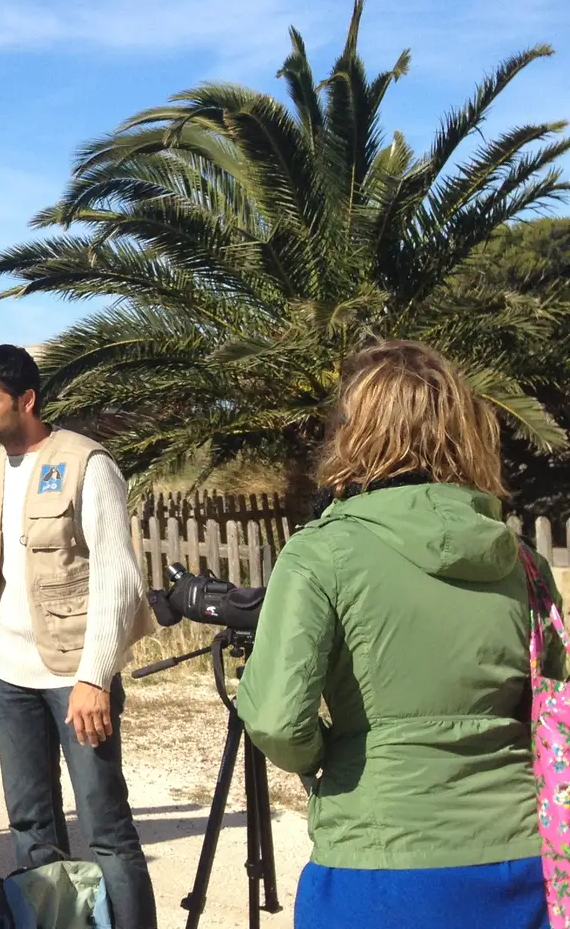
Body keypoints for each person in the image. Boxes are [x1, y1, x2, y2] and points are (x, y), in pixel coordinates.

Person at [238, 340, 560, 929]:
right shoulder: (521, 561)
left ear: (353, 433)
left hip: (379, 854)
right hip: (519, 856)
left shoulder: (322, 551)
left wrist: (324, 760)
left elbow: (277, 721)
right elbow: (550, 704)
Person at [0, 345, 156, 929]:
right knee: (31, 829)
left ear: (26, 400)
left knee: (105, 830)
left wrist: (95, 677)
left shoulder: (85, 462)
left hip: (75, 678)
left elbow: (118, 575)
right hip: (11, 678)